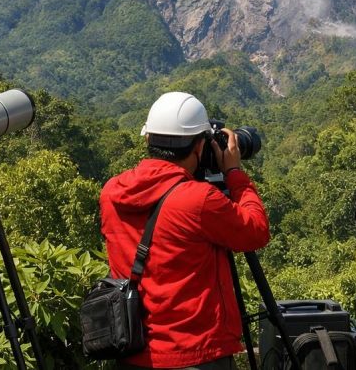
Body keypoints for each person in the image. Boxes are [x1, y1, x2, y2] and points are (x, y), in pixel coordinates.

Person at [100, 91, 270, 370]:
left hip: (131, 350)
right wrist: (235, 173)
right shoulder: (198, 200)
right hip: (196, 354)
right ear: (200, 147)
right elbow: (256, 231)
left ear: (147, 139)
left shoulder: (111, 193)